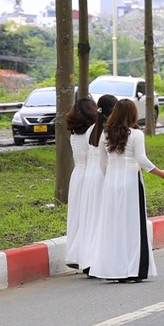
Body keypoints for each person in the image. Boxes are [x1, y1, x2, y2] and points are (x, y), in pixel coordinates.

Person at [89, 100, 164, 282]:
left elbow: (102, 164)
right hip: (131, 182)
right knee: (134, 225)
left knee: (114, 225)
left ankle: (115, 268)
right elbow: (141, 159)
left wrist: (110, 177)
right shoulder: (136, 135)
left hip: (111, 183)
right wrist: (161, 173)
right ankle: (133, 269)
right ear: (133, 114)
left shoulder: (105, 134)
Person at [77, 94, 118, 273]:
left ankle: (87, 259)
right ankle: (98, 259)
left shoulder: (91, 130)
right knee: (102, 218)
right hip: (102, 175)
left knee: (90, 218)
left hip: (89, 176)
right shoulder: (109, 130)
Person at [64, 98, 98, 269]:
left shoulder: (73, 134)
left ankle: (76, 253)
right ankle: (87, 255)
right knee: (90, 215)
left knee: (77, 215)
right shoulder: (93, 130)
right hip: (91, 174)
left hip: (77, 175)